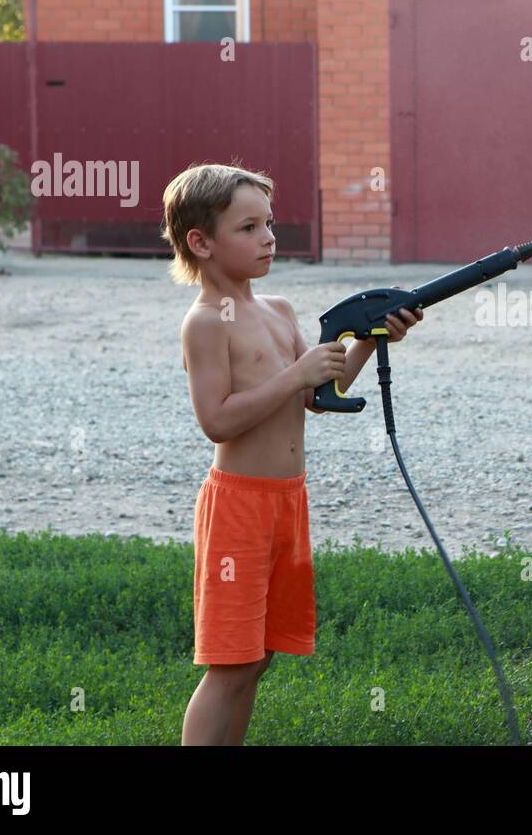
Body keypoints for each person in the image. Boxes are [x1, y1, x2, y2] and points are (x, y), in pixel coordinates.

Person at [159, 163, 422, 745]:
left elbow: (317, 393)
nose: (269, 238)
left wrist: (371, 339)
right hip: (238, 511)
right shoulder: (205, 324)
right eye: (249, 227)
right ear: (201, 242)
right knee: (229, 664)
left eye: (269, 223)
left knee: (257, 658)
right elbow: (216, 421)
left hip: (286, 503)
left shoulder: (277, 309)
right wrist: (295, 374)